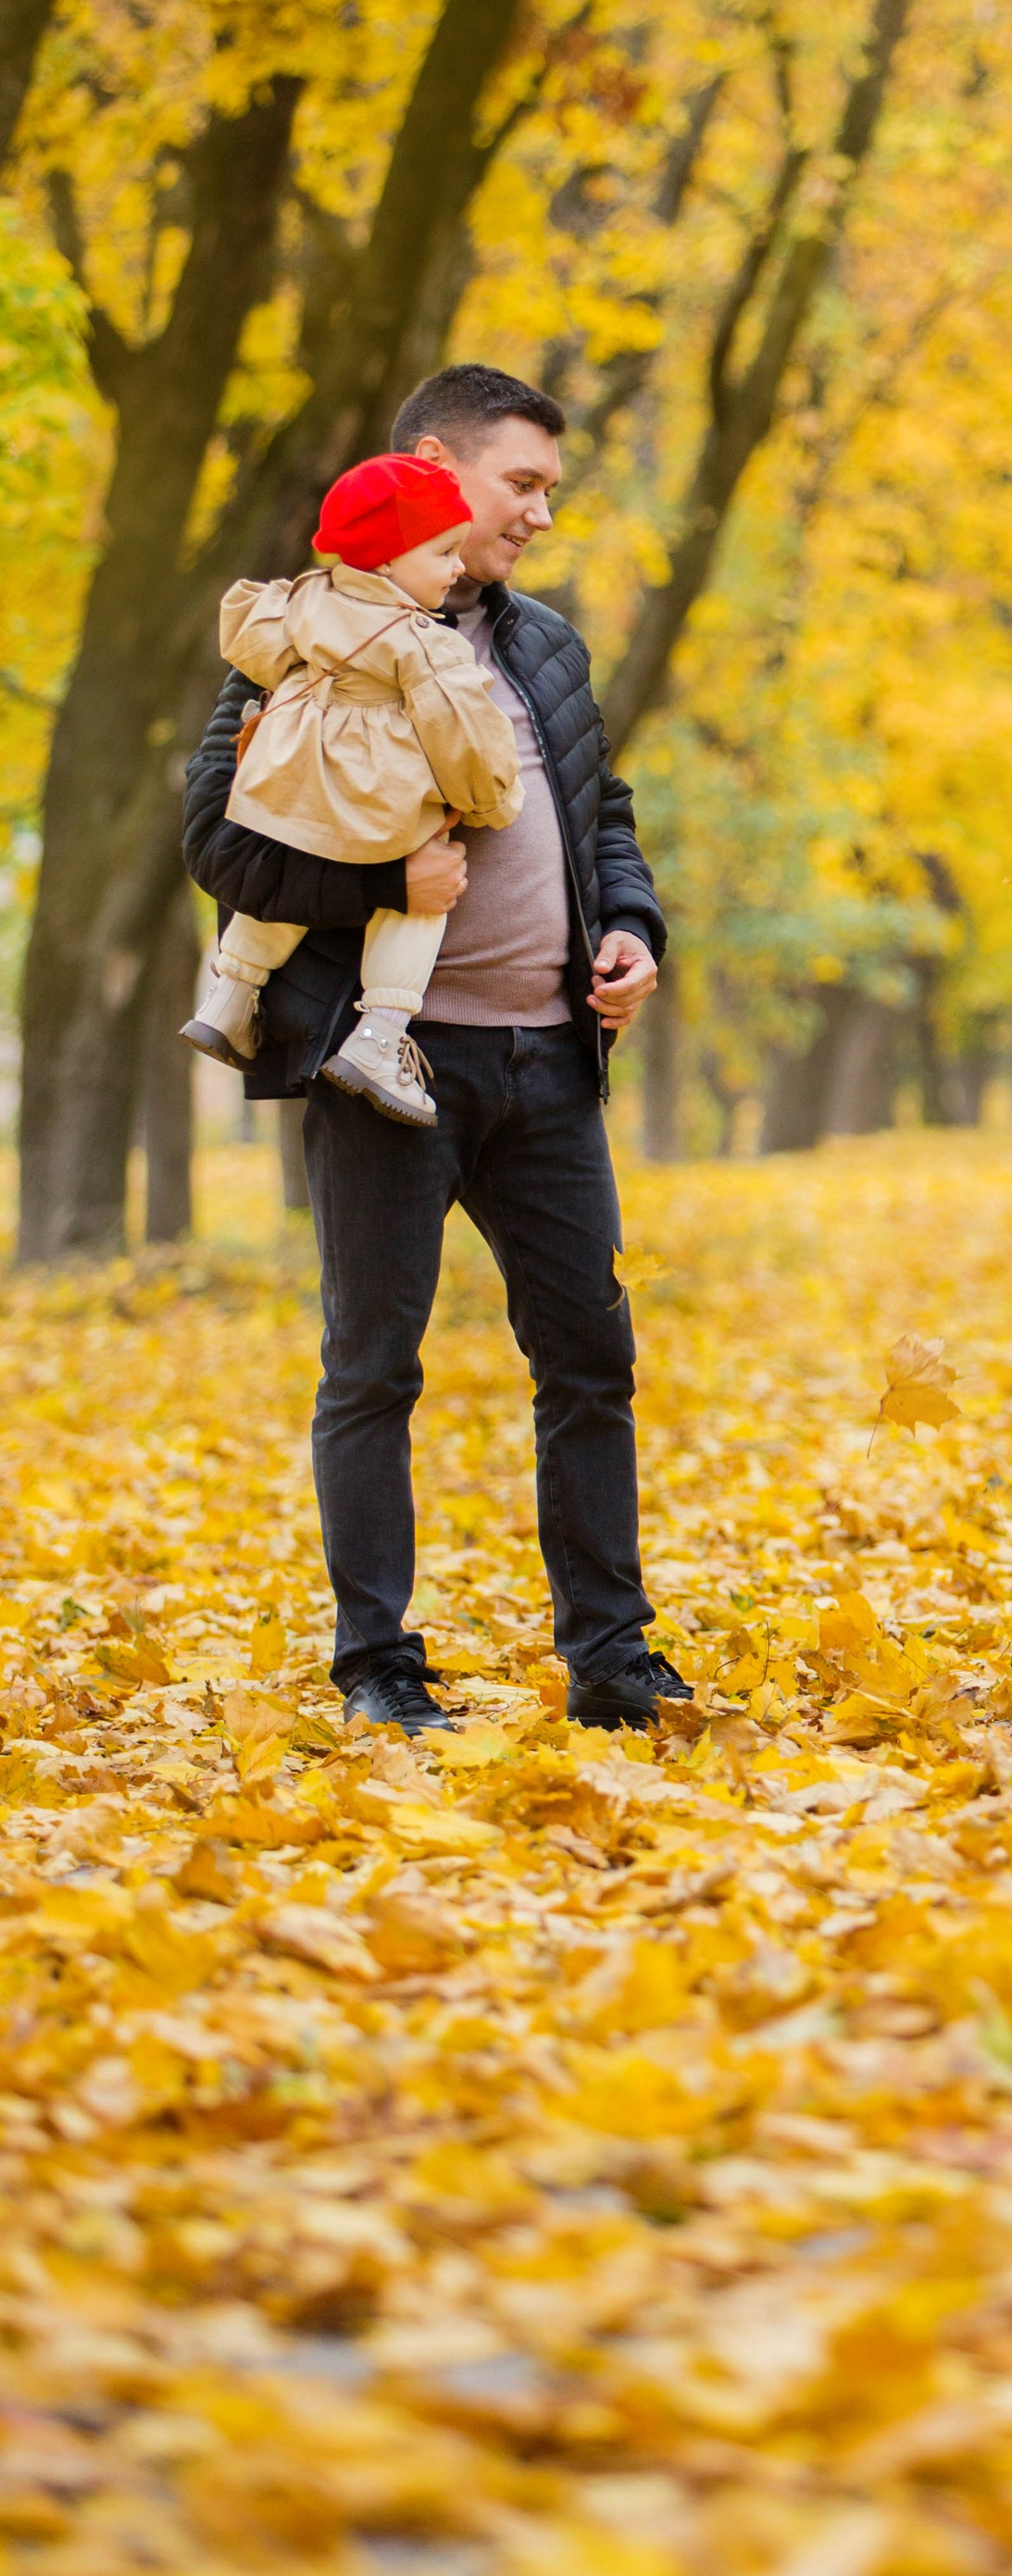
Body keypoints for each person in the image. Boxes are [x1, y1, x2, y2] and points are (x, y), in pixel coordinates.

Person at [184, 363, 679, 1740]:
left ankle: (613, 1659)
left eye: (548, 491)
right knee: (375, 1371)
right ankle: (377, 1669)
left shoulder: (546, 649)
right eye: (521, 483)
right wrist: (389, 886)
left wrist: (629, 926)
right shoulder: (306, 639)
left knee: (590, 1362)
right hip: (381, 1065)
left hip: (547, 1070)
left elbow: (603, 812)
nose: (538, 513)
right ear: (434, 468)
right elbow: (218, 843)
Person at [183, 454, 521, 1129]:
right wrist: (489, 802)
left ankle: (231, 995)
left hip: (290, 788)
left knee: (300, 855)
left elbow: (252, 643)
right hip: (372, 793)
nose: (458, 566)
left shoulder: (306, 599)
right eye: (444, 551)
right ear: (391, 561)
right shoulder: (421, 642)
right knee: (421, 883)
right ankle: (381, 1035)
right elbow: (461, 735)